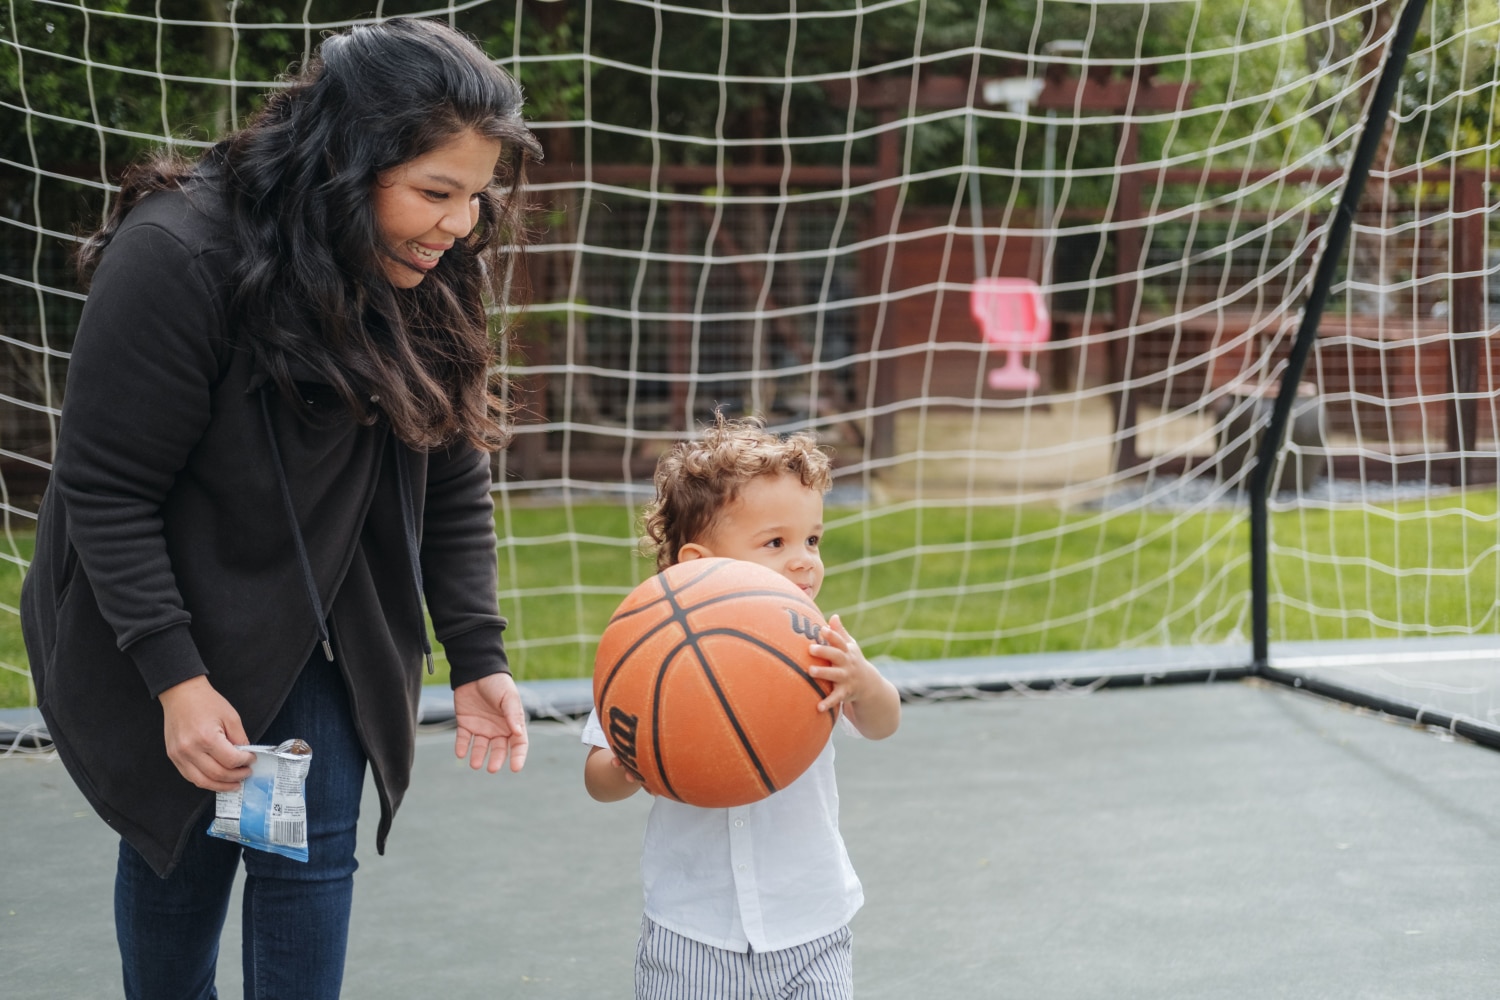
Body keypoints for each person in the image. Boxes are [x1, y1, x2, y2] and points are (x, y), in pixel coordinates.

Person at [20, 18, 542, 1000]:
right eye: (437, 192)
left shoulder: (427, 264)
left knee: (311, 847)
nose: (459, 225)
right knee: (183, 848)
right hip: (164, 599)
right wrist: (176, 680)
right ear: (346, 163)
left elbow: (449, 452)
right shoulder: (176, 254)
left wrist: (478, 654)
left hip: (324, 600)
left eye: (476, 197)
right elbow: (106, 489)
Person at [582, 413, 901, 1000]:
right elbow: (598, 778)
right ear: (698, 564)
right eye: (776, 542)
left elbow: (884, 723)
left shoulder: (817, 647)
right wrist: (628, 765)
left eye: (812, 539)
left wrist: (863, 682)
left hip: (812, 927)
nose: (805, 559)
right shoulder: (647, 659)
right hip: (692, 933)